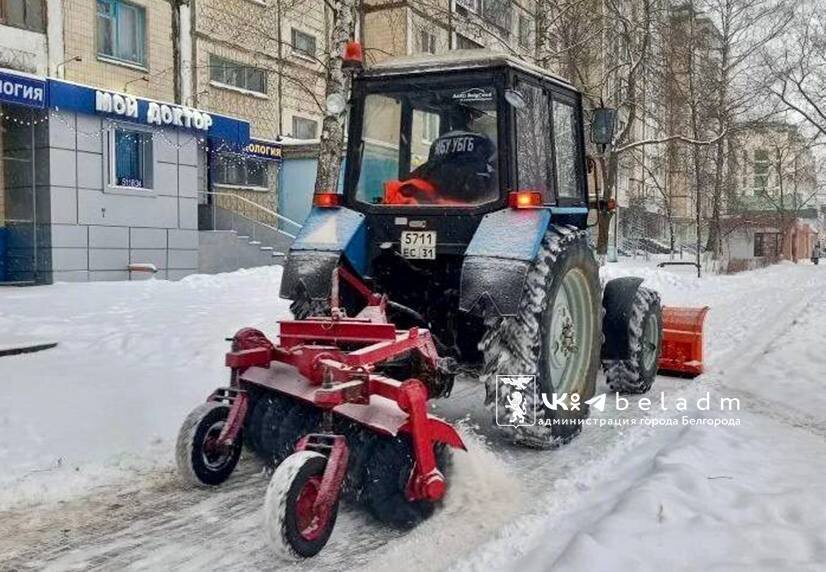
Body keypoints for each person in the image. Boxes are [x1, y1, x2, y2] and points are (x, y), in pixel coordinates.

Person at [384, 106, 497, 205]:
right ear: (470, 119)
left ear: (452, 121)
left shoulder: (437, 142)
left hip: (440, 198)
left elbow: (432, 167)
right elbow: (494, 165)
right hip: (472, 197)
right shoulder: (481, 140)